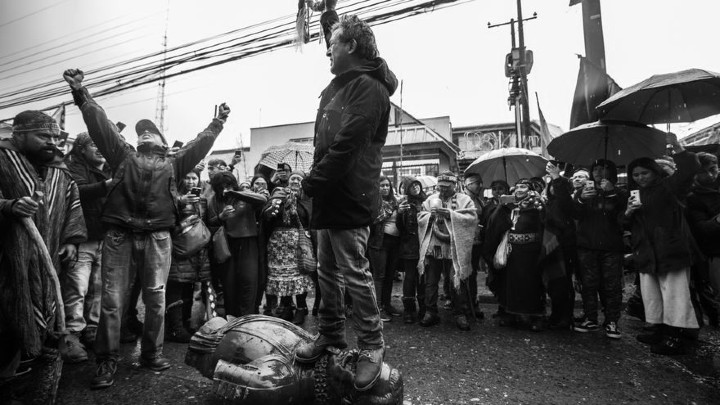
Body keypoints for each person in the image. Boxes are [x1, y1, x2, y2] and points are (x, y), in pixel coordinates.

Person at [63, 68, 230, 389]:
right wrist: (81, 93)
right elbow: (99, 123)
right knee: (112, 300)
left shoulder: (174, 162)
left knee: (155, 297)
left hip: (158, 237)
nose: (143, 133)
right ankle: (106, 360)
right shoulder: (121, 155)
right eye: (140, 132)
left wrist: (217, 122)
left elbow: (200, 143)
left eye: (150, 131)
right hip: (119, 235)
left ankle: (151, 354)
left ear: (163, 142)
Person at [294, 14, 398, 393]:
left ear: (351, 47)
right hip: (330, 196)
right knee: (326, 272)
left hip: (351, 195)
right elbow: (335, 33)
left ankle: (372, 345)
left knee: (354, 272)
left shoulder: (368, 88)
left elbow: (347, 146)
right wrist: (329, 15)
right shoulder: (342, 83)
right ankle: (331, 333)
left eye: (333, 43)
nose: (327, 49)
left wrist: (310, 183)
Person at [0, 111, 87, 401]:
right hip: (8, 258)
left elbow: (72, 203)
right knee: (7, 318)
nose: (51, 142)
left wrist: (73, 240)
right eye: (43, 136)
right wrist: (8, 206)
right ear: (19, 134)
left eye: (54, 137)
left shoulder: (59, 169)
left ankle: (34, 379)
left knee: (45, 317)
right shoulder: (2, 158)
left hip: (48, 256)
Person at [625, 133, 700, 355]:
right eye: (636, 174)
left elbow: (688, 170)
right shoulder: (634, 194)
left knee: (674, 294)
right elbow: (623, 221)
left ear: (655, 172)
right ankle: (657, 328)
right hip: (647, 252)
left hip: (670, 250)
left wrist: (677, 147)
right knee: (652, 294)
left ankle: (675, 336)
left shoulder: (670, 187)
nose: (640, 177)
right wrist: (628, 212)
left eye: (644, 173)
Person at [63, 132, 112, 362]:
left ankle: (92, 330)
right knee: (77, 288)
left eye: (101, 143)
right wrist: (108, 185)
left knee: (99, 288)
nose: (99, 148)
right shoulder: (73, 166)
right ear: (81, 149)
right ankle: (72, 334)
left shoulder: (109, 167)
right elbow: (78, 191)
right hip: (83, 237)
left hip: (106, 237)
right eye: (93, 144)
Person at [572, 159, 627, 339]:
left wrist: (611, 194)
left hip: (611, 246)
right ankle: (590, 317)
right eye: (595, 168)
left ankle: (611, 321)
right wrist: (581, 200)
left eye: (603, 169)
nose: (599, 172)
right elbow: (575, 215)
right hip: (587, 245)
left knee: (611, 285)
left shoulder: (619, 192)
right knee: (588, 283)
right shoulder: (583, 191)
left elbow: (624, 215)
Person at [484, 179, 548, 331]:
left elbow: (546, 223)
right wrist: (501, 207)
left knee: (532, 285)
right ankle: (511, 314)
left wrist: (540, 204)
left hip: (531, 253)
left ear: (530, 189)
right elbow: (494, 225)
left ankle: (536, 316)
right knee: (510, 285)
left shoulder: (537, 204)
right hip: (512, 253)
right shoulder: (508, 206)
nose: (519, 189)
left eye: (524, 186)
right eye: (517, 186)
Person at [417, 171, 478, 330]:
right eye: (440, 187)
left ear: (455, 185)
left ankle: (460, 313)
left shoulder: (465, 200)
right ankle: (430, 312)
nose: (442, 190)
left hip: (454, 248)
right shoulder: (430, 199)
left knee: (456, 280)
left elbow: (472, 218)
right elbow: (420, 216)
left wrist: (451, 214)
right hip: (434, 247)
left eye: (446, 187)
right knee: (431, 281)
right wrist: (429, 216)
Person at [207, 172, 267, 318]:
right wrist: (221, 217)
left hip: (248, 244)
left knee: (249, 281)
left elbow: (262, 199)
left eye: (228, 185)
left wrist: (236, 192)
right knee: (230, 284)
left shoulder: (244, 195)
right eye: (222, 187)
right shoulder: (214, 200)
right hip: (227, 244)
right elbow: (209, 222)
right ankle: (232, 318)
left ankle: (248, 317)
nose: (225, 189)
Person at [165, 169, 213, 343]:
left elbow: (206, 222)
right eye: (187, 177)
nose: (191, 181)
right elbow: (168, 223)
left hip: (198, 250)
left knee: (189, 287)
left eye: (194, 178)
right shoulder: (173, 199)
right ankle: (174, 328)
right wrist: (184, 222)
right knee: (176, 286)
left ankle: (184, 323)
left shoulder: (202, 201)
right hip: (180, 249)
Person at [262, 170, 315, 325]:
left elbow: (308, 220)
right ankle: (286, 307)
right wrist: (275, 206)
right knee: (282, 277)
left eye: (298, 179)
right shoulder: (279, 196)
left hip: (298, 245)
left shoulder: (305, 200)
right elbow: (267, 216)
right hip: (277, 245)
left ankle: (300, 308)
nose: (295, 181)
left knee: (298, 276)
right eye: (293, 178)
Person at [686, 152, 720, 327]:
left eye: (713, 169)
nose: (710, 175)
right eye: (703, 171)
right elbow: (702, 230)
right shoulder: (693, 198)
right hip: (712, 253)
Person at [368, 176, 403, 321]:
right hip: (378, 243)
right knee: (379, 276)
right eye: (382, 185)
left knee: (390, 275)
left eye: (387, 185)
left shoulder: (396, 202)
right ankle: (377, 308)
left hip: (394, 243)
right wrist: (392, 210)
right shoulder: (373, 203)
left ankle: (387, 304)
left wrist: (400, 212)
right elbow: (373, 220)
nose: (385, 188)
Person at [397, 177, 427, 323]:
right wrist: (399, 213)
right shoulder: (404, 204)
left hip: (425, 244)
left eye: (417, 185)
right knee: (409, 277)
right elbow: (400, 228)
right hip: (409, 246)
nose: (415, 188)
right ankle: (409, 310)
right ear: (407, 188)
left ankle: (423, 307)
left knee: (423, 277)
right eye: (412, 186)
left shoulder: (427, 201)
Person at [463, 173, 486, 319]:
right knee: (466, 273)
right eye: (477, 183)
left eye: (481, 182)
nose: (480, 186)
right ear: (468, 184)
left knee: (473, 274)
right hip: (465, 241)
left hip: (477, 242)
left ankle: (473, 302)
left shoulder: (479, 200)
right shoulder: (462, 199)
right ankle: (464, 305)